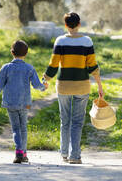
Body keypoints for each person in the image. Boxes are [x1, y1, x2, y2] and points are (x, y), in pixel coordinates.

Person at [43, 12, 103, 164]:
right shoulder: (87, 41)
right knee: (77, 122)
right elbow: (93, 66)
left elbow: (53, 64)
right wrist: (100, 86)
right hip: (82, 86)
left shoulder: (60, 41)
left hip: (63, 86)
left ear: (65, 25)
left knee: (65, 120)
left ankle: (64, 153)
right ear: (79, 24)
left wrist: (45, 80)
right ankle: (75, 156)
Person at [0, 40, 48, 163]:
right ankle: (22, 153)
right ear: (26, 53)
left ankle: (19, 152)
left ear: (12, 52)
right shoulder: (29, 68)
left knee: (15, 128)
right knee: (23, 128)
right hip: (25, 103)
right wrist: (44, 86)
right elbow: (37, 86)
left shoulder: (6, 68)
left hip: (10, 103)